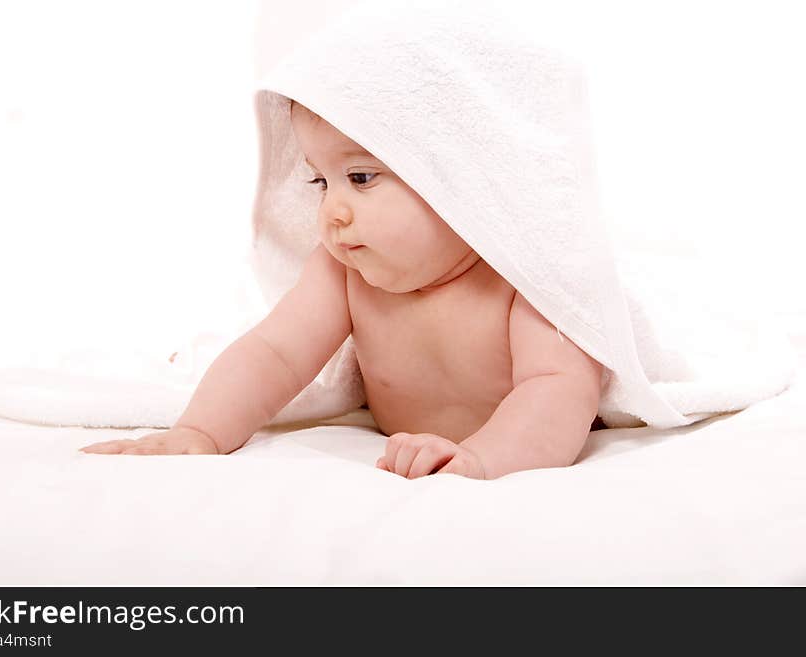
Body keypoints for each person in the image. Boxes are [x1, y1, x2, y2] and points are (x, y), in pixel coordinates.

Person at [80, 97, 604, 480]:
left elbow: (558, 389)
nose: (333, 211)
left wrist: (483, 460)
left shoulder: (522, 277)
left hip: (498, 454)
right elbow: (274, 353)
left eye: (360, 177)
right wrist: (201, 432)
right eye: (320, 182)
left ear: (456, 179)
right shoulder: (346, 274)